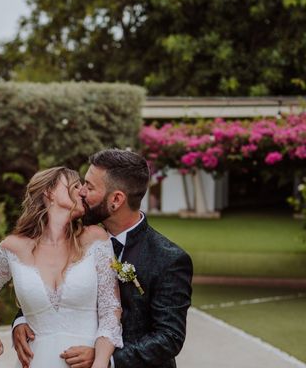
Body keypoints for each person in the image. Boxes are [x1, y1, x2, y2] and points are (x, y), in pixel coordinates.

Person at [13, 149, 193, 368]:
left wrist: (106, 360)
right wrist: (22, 319)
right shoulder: (73, 237)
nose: (81, 192)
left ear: (116, 199)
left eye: (89, 187)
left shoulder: (168, 259)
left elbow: (169, 337)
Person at [0, 166, 123, 367]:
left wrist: (101, 361)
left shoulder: (95, 238)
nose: (82, 191)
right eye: (75, 185)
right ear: (49, 192)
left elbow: (111, 307)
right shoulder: (13, 247)